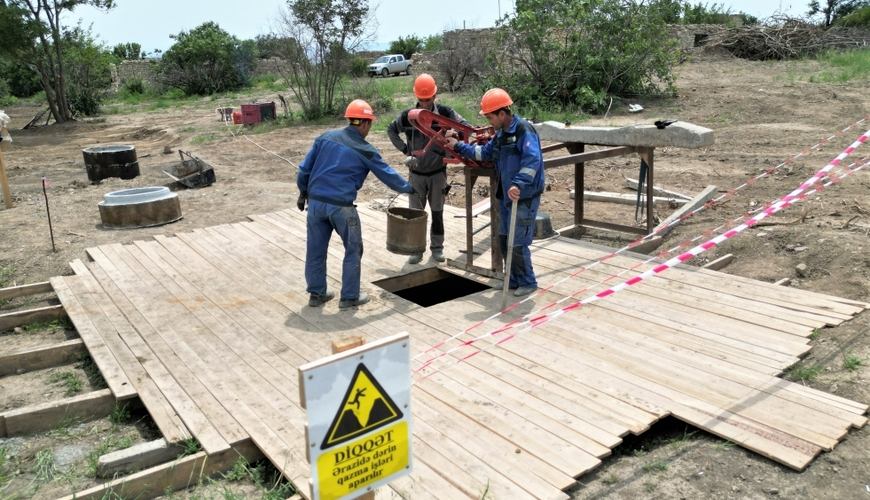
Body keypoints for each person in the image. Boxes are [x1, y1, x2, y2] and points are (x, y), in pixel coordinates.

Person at [297, 99, 419, 309]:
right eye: (370, 125)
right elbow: (387, 175)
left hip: (315, 205)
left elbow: (304, 170)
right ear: (365, 123)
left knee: (315, 250)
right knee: (353, 249)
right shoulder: (365, 149)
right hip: (341, 208)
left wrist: (303, 193)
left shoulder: (324, 138)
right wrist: (408, 188)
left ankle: (316, 294)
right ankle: (349, 296)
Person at [446, 88, 545, 297]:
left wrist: (518, 183)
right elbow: (483, 152)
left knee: (517, 242)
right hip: (507, 196)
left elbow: (532, 160)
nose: (489, 121)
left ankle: (528, 282)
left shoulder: (523, 131)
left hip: (523, 197)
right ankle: (513, 279)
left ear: (502, 113)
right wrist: (459, 146)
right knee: (503, 238)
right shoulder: (500, 135)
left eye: (490, 116)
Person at [387, 73, 472, 264]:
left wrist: (455, 133)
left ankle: (437, 248)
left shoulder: (446, 113)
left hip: (437, 173)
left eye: (428, 99)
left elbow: (467, 128)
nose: (425, 104)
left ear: (435, 96)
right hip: (416, 174)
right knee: (415, 215)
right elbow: (391, 129)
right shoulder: (408, 117)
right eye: (421, 100)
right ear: (417, 98)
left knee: (437, 213)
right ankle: (415, 250)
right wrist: (404, 150)